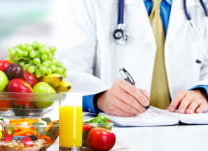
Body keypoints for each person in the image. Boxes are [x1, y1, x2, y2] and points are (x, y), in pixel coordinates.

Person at [57, 0, 208, 117]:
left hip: (189, 133)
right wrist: (100, 98)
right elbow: (67, 70)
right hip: (116, 138)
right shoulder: (88, 3)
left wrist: (203, 92)